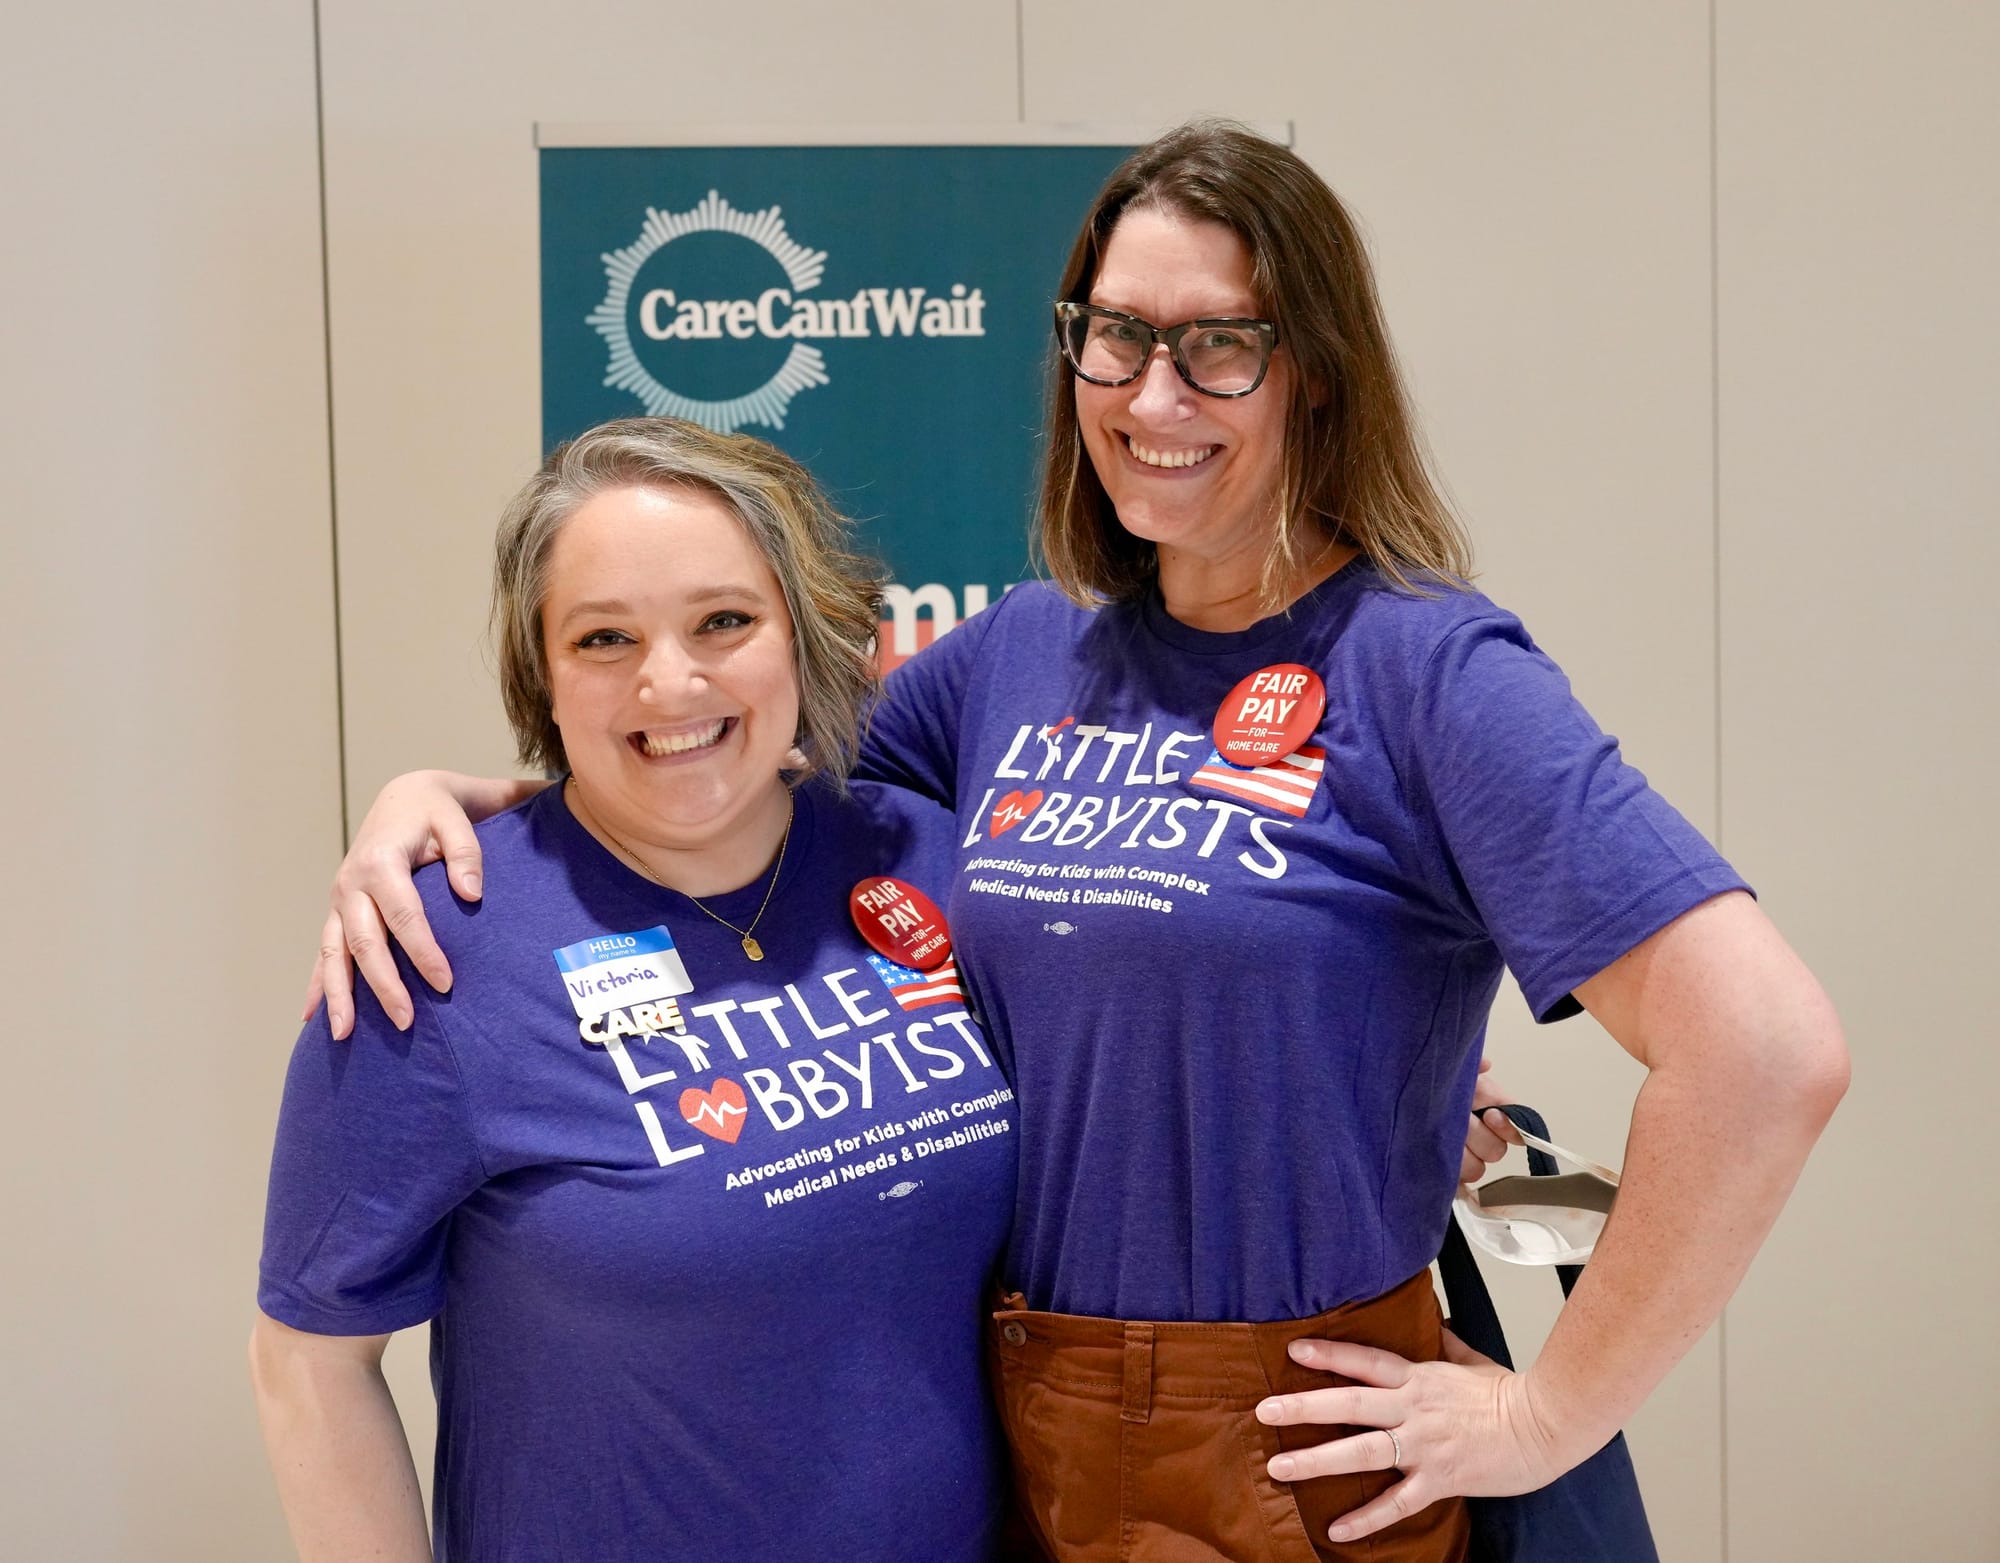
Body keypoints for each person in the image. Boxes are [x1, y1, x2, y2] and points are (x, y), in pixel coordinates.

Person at [307, 121, 1848, 1561]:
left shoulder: (1429, 672)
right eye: (1116, 335)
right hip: (1015, 1431)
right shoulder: (1019, 657)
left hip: (1288, 1447)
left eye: (1218, 345)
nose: (1152, 397)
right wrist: (446, 798)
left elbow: (1765, 1049)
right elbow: (711, 756)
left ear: (1315, 372)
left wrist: (1547, 1410)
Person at [250, 419, 1022, 1562]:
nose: (671, 682)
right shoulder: (431, 947)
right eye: (604, 638)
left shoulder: (926, 859)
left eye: (724, 621)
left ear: (802, 636)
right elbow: (309, 1361)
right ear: (543, 677)